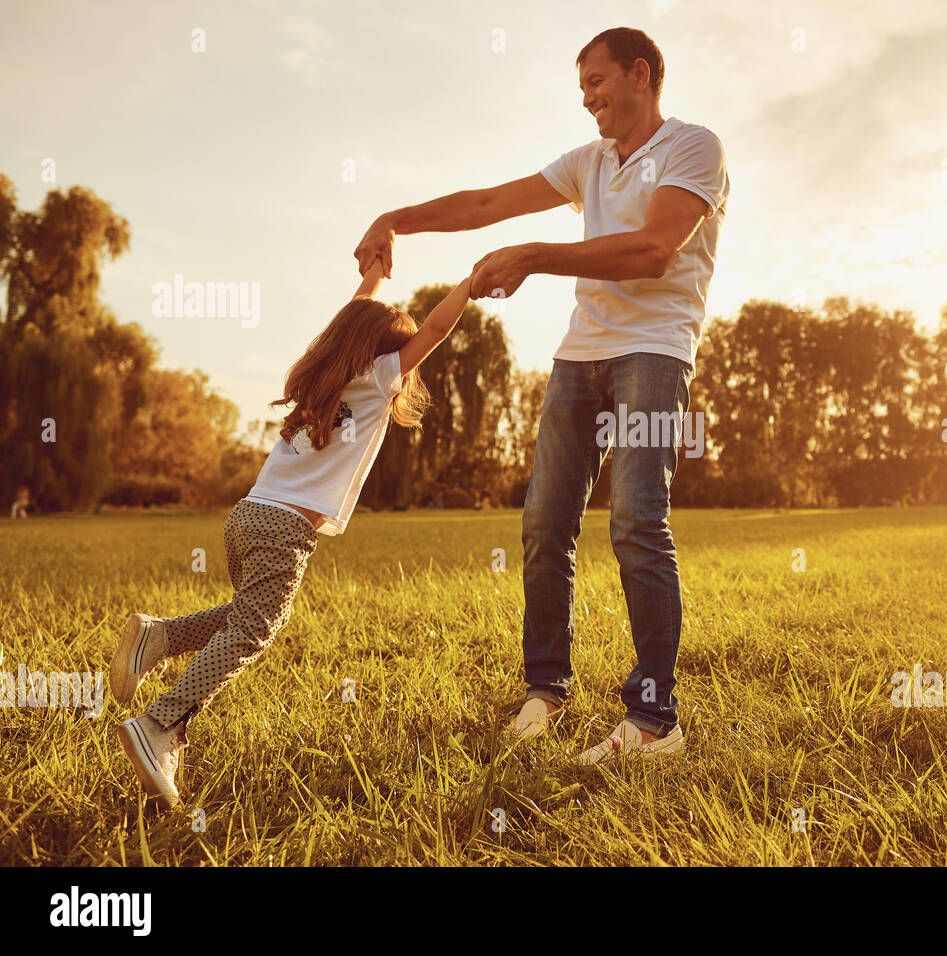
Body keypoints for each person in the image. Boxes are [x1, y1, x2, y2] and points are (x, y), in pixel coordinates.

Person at [355, 27, 729, 764]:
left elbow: (655, 251)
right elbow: (491, 200)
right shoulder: (588, 163)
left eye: (598, 82)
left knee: (636, 521)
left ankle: (655, 722)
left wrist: (535, 255)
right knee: (543, 524)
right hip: (579, 358)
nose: (588, 98)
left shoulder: (693, 148)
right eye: (582, 87)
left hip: (654, 354)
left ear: (640, 74)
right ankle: (545, 692)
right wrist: (397, 218)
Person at [110, 262, 471, 809]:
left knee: (244, 616)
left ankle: (158, 638)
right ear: (384, 356)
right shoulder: (378, 379)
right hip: (285, 529)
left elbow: (352, 317)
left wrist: (374, 274)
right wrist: (474, 280)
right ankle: (161, 723)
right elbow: (437, 330)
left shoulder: (322, 381)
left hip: (248, 514)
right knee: (255, 631)